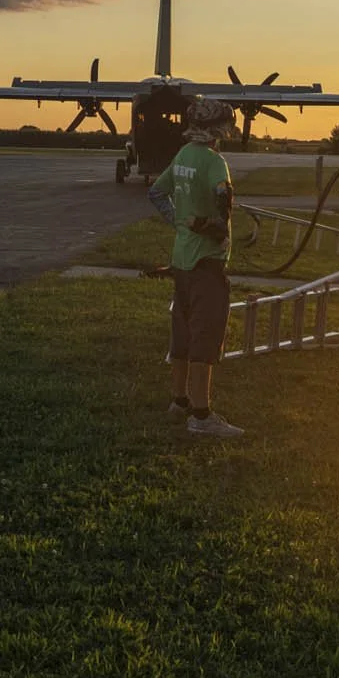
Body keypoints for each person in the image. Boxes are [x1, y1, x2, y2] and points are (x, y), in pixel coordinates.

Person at [149, 97, 246, 437]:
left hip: (182, 258)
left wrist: (179, 224)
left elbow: (157, 193)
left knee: (183, 331)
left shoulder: (183, 156)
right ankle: (202, 416)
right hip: (208, 261)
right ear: (220, 128)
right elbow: (224, 210)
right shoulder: (214, 162)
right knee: (206, 336)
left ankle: (179, 401)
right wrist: (208, 226)